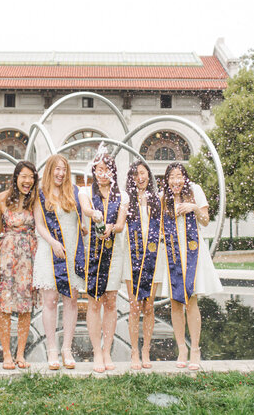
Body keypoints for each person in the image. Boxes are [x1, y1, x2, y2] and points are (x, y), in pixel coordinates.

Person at [161, 162, 223, 371]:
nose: (175, 180)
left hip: (193, 253)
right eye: (171, 177)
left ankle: (195, 348)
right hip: (172, 254)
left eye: (179, 176)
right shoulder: (164, 197)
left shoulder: (195, 190)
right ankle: (181, 349)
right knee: (175, 302)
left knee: (191, 299)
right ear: (167, 179)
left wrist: (194, 208)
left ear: (184, 178)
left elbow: (205, 221)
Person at [32, 154, 86, 370]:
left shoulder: (73, 192)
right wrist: (53, 243)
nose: (60, 173)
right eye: (57, 169)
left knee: (71, 299)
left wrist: (85, 227)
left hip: (71, 250)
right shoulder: (40, 193)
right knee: (50, 300)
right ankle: (52, 348)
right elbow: (39, 224)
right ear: (49, 170)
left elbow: (80, 219)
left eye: (64, 169)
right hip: (49, 249)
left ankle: (67, 348)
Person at [78, 150, 128, 373]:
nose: (102, 174)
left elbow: (120, 225)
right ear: (94, 171)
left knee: (111, 301)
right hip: (93, 255)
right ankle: (96, 352)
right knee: (94, 301)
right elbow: (86, 209)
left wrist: (110, 227)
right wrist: (95, 215)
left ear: (113, 172)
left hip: (114, 252)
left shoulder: (122, 196)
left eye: (106, 170)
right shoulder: (86, 191)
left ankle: (107, 349)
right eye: (98, 170)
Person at [0, 161, 39, 370]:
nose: (28, 181)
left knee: (25, 307)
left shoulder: (35, 201)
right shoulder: (1, 200)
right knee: (5, 307)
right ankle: (6, 354)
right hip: (7, 257)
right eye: (24, 176)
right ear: (16, 177)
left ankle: (20, 354)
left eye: (31, 177)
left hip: (29, 258)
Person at [122, 159, 165, 370]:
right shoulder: (126, 201)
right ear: (131, 178)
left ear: (149, 175)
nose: (140, 177)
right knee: (134, 306)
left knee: (149, 307)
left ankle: (146, 349)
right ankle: (134, 352)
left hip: (154, 259)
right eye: (136, 174)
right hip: (132, 258)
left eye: (143, 172)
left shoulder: (158, 200)